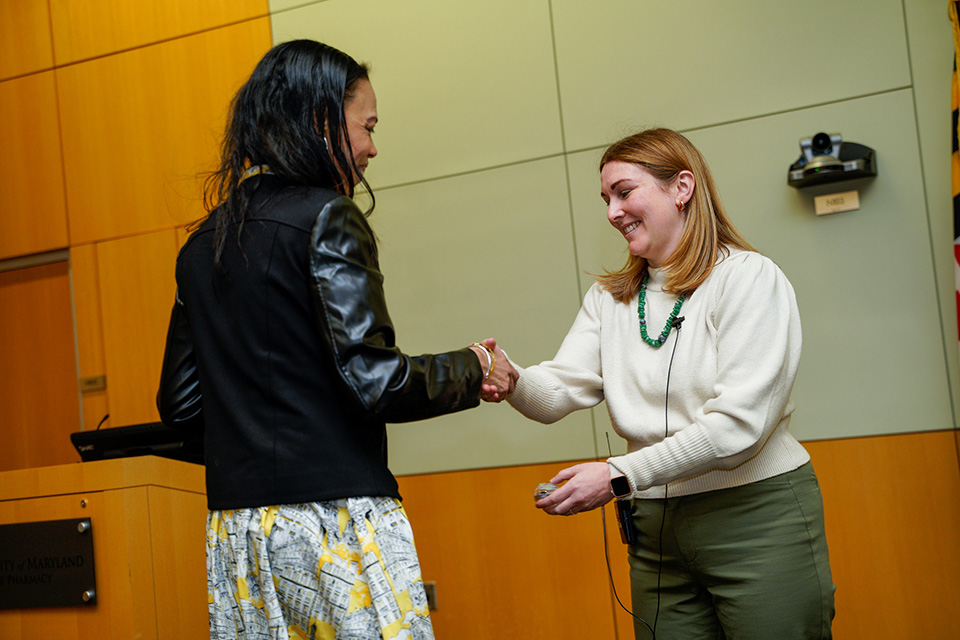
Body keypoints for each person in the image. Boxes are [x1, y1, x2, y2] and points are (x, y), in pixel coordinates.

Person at [157, 39, 516, 640]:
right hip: (333, 523)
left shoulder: (202, 244)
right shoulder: (328, 216)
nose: (374, 147)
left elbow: (181, 405)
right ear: (320, 118)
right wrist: (474, 365)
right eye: (367, 126)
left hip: (238, 536)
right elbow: (375, 382)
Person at [499, 128, 834, 639]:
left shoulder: (748, 279)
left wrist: (616, 474)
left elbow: (737, 427)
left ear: (682, 188)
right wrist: (509, 376)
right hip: (655, 531)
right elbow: (556, 392)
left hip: (756, 517)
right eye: (606, 198)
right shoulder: (610, 298)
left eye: (625, 191)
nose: (613, 211)